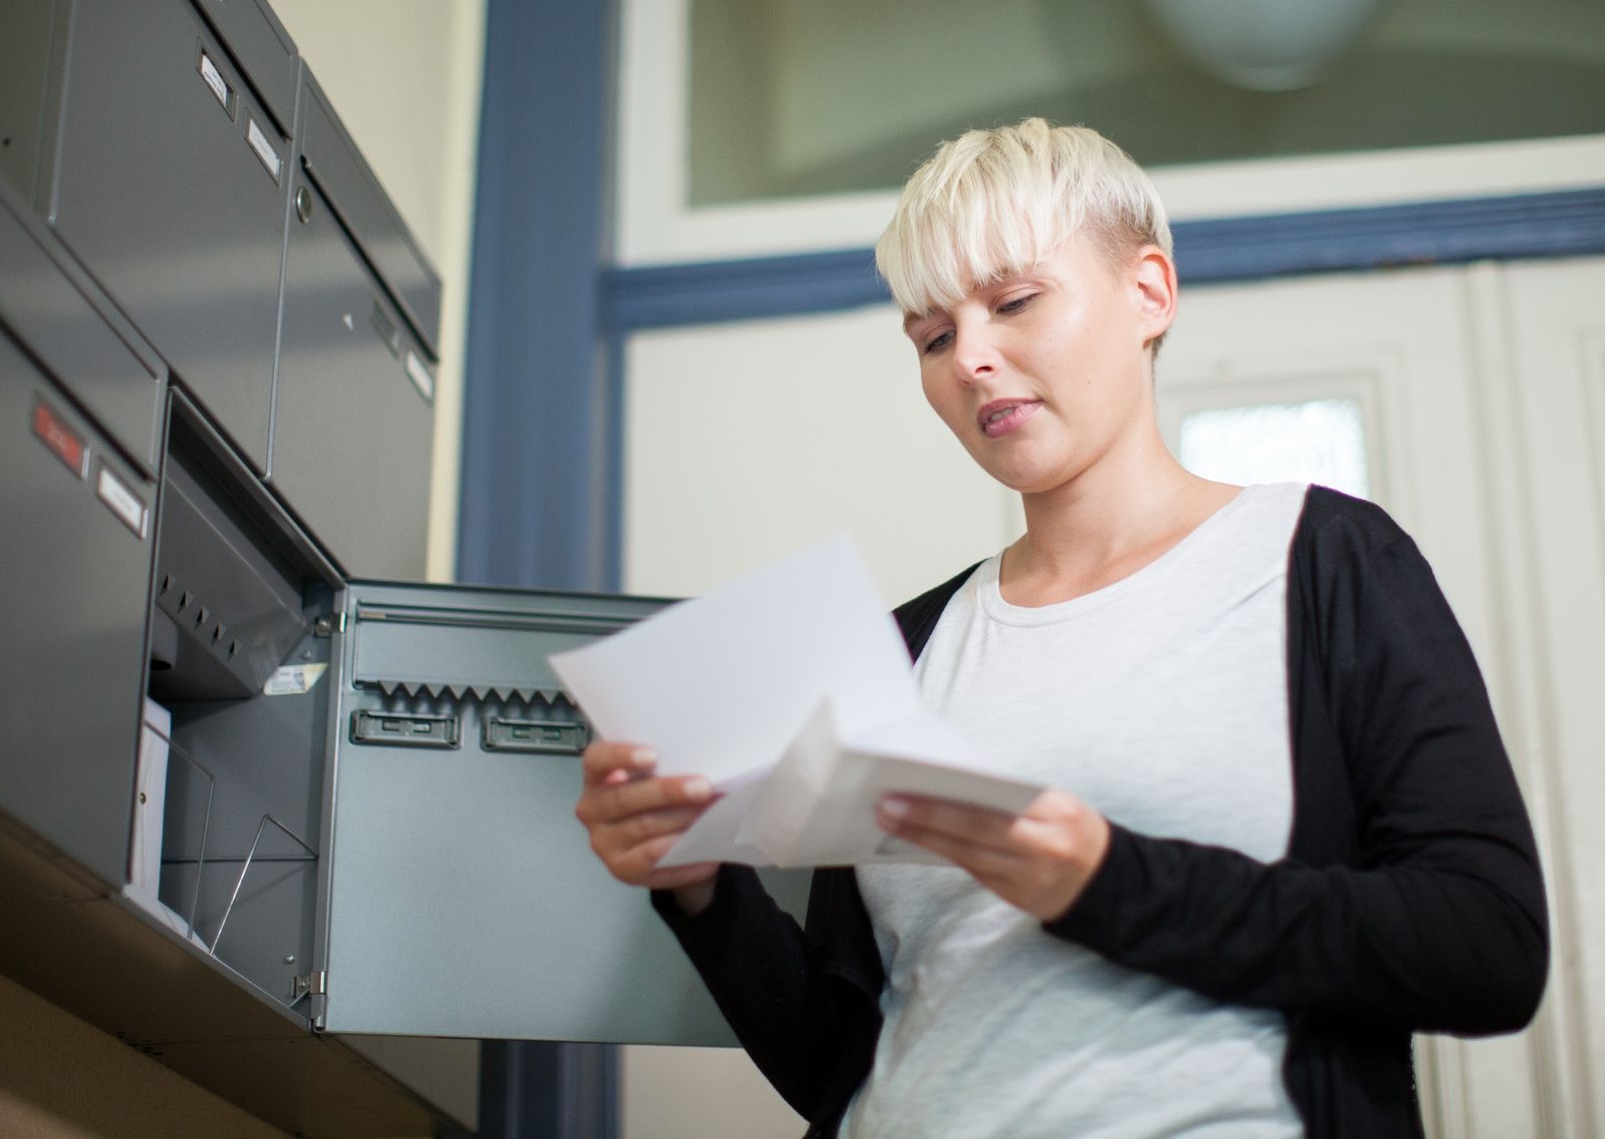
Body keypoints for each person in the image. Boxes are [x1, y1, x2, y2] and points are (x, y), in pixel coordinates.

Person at [575, 118, 1548, 1138]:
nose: (972, 360)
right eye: (934, 336)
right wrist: (698, 892)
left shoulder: (1323, 563)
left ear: (1147, 293)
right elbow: (842, 1058)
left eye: (1014, 302)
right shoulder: (906, 646)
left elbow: (1485, 947)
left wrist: (1104, 881)